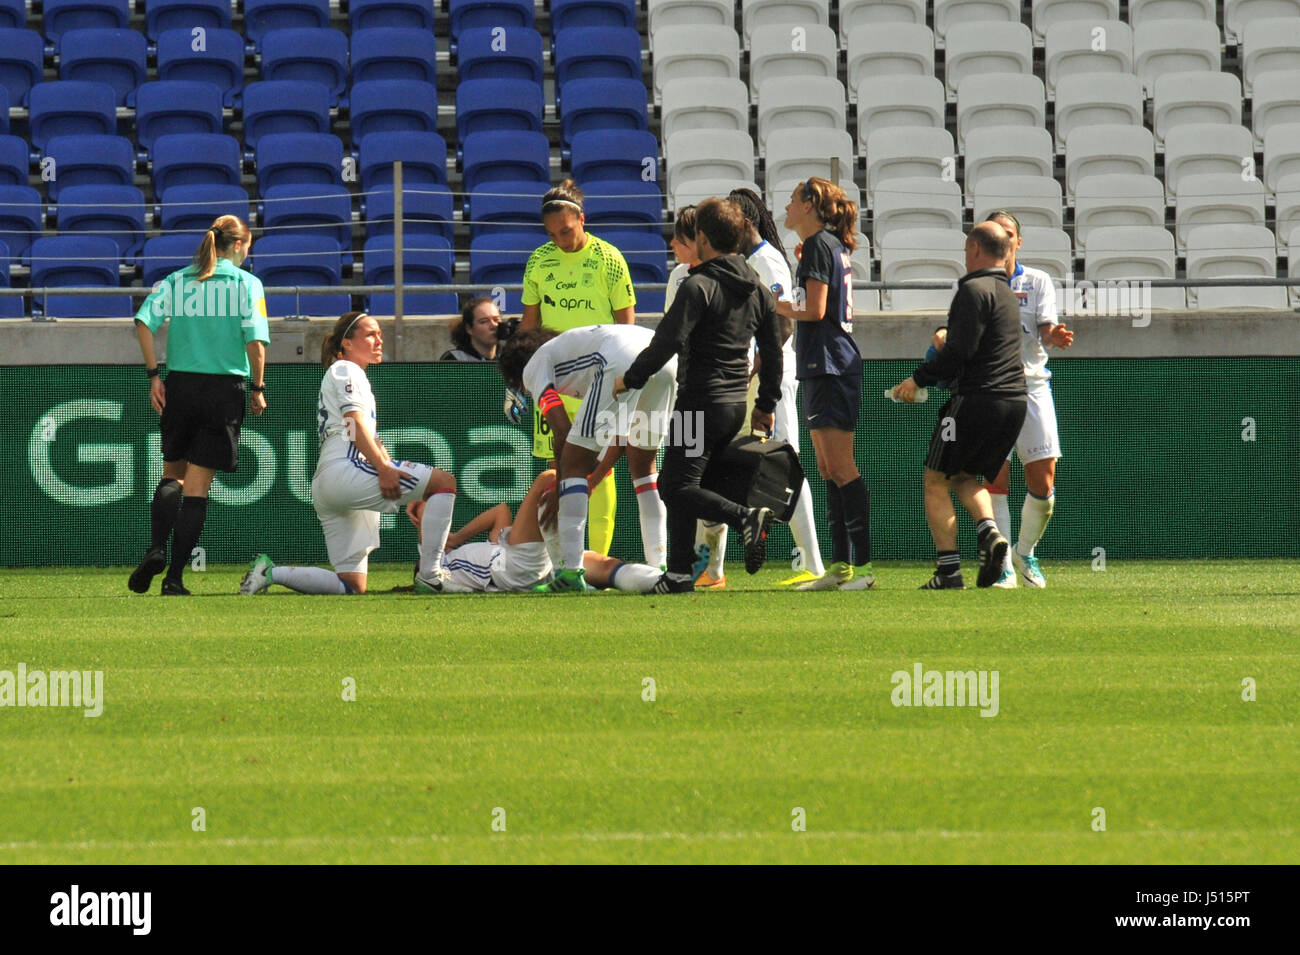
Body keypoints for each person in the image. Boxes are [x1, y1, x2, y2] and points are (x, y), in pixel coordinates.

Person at [615, 197, 784, 593]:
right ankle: (677, 576)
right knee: (688, 483)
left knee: (675, 486)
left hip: (696, 405)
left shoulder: (698, 285)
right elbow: (773, 352)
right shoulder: (758, 290)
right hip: (733, 404)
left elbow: (666, 342)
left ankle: (745, 517)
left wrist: (631, 379)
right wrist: (765, 405)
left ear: (702, 237)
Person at [238, 312, 459, 596]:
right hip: (346, 468)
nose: (379, 339)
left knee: (351, 586)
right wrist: (384, 468)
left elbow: (363, 431)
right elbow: (352, 423)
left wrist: (411, 488)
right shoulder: (345, 369)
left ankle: (270, 572)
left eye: (380, 334)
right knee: (444, 482)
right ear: (347, 344)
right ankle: (431, 575)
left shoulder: (349, 373)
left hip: (332, 478)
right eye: (370, 334)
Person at [128, 215, 269, 596]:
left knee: (171, 472)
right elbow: (255, 342)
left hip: (182, 386)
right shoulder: (247, 284)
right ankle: (174, 578)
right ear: (238, 245)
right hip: (223, 390)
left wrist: (154, 375)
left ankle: (155, 547)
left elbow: (142, 322)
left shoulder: (177, 280)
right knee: (198, 487)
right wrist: (258, 387)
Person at [693, 188, 826, 589]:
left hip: (771, 377)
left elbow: (782, 325)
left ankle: (812, 562)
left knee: (785, 465)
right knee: (718, 464)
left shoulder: (767, 261)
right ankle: (711, 568)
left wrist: (755, 373)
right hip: (745, 380)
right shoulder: (744, 262)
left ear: (745, 222)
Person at [891, 221, 1026, 589]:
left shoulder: (972, 290)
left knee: (935, 479)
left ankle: (949, 571)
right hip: (1014, 403)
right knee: (965, 476)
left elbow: (959, 352)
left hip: (976, 400)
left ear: (975, 250)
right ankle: (991, 536)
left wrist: (917, 378)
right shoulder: (1008, 293)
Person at [498, 323, 677, 591]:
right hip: (666, 359)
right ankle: (659, 567)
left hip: (624, 356)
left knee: (571, 461)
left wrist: (562, 485)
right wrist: (590, 480)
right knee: (643, 465)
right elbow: (619, 439)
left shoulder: (534, 365)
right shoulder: (574, 355)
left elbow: (562, 431)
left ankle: (570, 574)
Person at [518, 178, 636, 557]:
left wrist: (625, 377)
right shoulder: (538, 260)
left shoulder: (609, 259)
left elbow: (626, 326)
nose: (561, 241)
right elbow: (529, 325)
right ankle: (561, 560)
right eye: (553, 235)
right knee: (558, 463)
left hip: (600, 379)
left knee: (598, 466)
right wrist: (519, 375)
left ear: (581, 219)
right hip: (554, 377)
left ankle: (596, 557)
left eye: (566, 231)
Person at [776, 178, 874, 592]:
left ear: (810, 205)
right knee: (828, 468)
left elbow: (815, 310)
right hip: (824, 364)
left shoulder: (820, 245)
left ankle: (863, 569)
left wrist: (771, 302)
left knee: (841, 467)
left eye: (793, 200)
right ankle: (841, 567)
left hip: (830, 363)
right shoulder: (827, 245)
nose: (786, 207)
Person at [981, 211, 1074, 588]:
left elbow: (1046, 328)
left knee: (1044, 480)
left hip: (1033, 386)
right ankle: (1002, 562)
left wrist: (1055, 336)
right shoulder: (977, 283)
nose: (1004, 239)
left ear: (1018, 241)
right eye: (997, 233)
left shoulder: (1037, 281)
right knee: (994, 480)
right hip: (991, 389)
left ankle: (1025, 550)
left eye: (1010, 233)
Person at [405, 470, 664, 594]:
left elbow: (501, 511)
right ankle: (567, 572)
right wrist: (421, 501)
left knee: (608, 568)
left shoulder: (481, 549)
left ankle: (663, 582)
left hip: (530, 568)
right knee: (547, 480)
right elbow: (428, 516)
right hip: (512, 570)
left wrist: (459, 537)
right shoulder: (439, 565)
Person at [439, 295, 501, 361]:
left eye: (496, 320)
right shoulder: (454, 359)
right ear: (469, 329)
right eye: (484, 321)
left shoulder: (509, 357)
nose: (494, 325)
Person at [663, 204, 698, 311]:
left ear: (699, 240)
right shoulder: (677, 274)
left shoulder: (725, 276)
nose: (672, 243)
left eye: (679, 238)